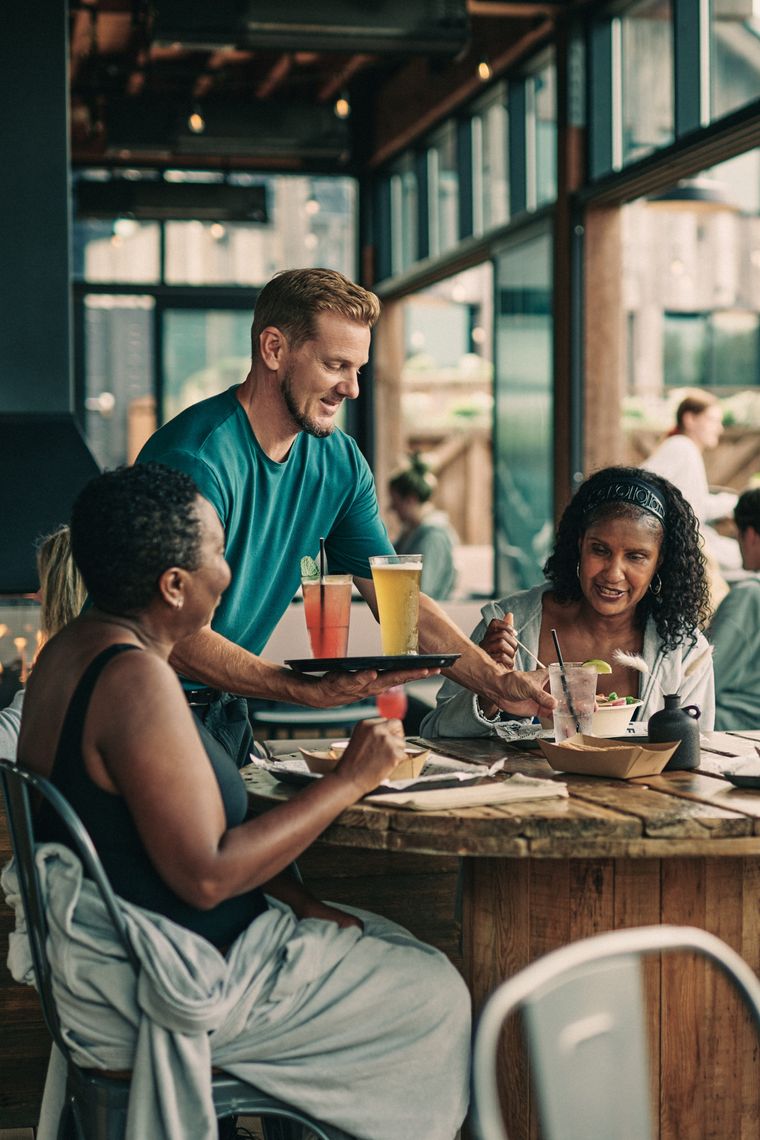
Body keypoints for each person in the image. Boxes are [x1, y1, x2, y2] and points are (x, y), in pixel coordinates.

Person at [9, 463, 471, 1140]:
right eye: (218, 555)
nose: (229, 571)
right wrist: (351, 778)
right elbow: (207, 874)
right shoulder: (136, 681)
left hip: (108, 960)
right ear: (173, 586)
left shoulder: (70, 651)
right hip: (166, 985)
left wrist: (304, 903)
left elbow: (153, 835)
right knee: (434, 992)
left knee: (391, 942)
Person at [137, 267, 554, 761]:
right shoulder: (196, 460)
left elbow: (398, 600)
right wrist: (299, 688)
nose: (352, 389)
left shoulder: (338, 462)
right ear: (273, 349)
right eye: (336, 365)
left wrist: (500, 682)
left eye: (358, 369)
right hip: (144, 701)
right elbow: (175, 634)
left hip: (225, 708)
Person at [421, 466, 715, 739]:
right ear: (579, 545)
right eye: (599, 550)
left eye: (636, 556)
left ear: (658, 563)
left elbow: (696, 758)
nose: (613, 574)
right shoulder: (511, 626)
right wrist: (489, 690)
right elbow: (433, 733)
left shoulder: (683, 651)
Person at [0, 525, 85, 761]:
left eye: (46, 581)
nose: (37, 594)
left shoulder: (70, 664)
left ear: (66, 592)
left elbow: (8, 738)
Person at [642, 391, 740, 573]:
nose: (720, 428)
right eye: (712, 420)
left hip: (689, 538)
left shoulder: (683, 448)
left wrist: (733, 503)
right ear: (690, 419)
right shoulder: (681, 446)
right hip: (683, 543)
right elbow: (643, 481)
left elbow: (695, 502)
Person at [709, 488, 760, 731]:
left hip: (736, 732)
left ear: (750, 535)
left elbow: (703, 678)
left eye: (736, 536)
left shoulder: (750, 596)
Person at [388, 453, 459, 600]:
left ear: (411, 499)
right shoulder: (411, 532)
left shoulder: (433, 537)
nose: (392, 508)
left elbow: (422, 593)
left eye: (395, 501)